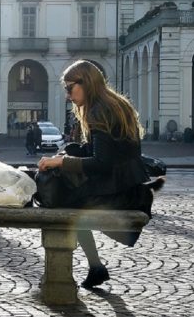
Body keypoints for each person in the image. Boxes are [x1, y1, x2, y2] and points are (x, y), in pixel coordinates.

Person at [37, 59, 164, 289]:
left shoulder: (99, 111)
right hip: (127, 182)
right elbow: (105, 151)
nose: (68, 96)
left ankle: (90, 268)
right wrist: (70, 154)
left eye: (69, 88)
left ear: (85, 82)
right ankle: (95, 267)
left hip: (121, 188)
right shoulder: (113, 104)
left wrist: (62, 162)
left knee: (69, 205)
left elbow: (101, 162)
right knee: (74, 202)